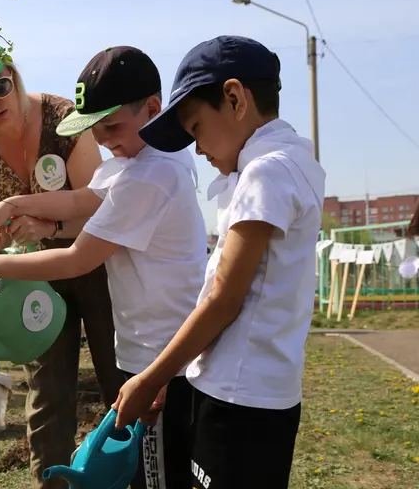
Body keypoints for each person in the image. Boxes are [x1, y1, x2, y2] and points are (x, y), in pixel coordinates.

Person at [0, 46, 208, 488]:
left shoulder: (147, 175)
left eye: (110, 127)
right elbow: (81, 197)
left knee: (159, 463)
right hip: (148, 343)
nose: (103, 140)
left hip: (160, 350)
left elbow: (77, 258)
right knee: (76, 407)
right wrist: (13, 204)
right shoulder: (134, 163)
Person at [111, 36, 326, 489]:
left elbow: (224, 300)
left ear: (234, 98)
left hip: (237, 400)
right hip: (263, 392)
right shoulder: (296, 163)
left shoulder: (265, 172)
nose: (198, 150)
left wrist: (151, 378)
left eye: (195, 129)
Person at [0, 30, 124, 488]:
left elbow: (101, 210)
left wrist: (46, 227)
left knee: (119, 378)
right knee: (47, 392)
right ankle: (52, 482)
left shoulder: (66, 118)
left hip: (97, 263)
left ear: (12, 74)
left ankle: (131, 476)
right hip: (34, 277)